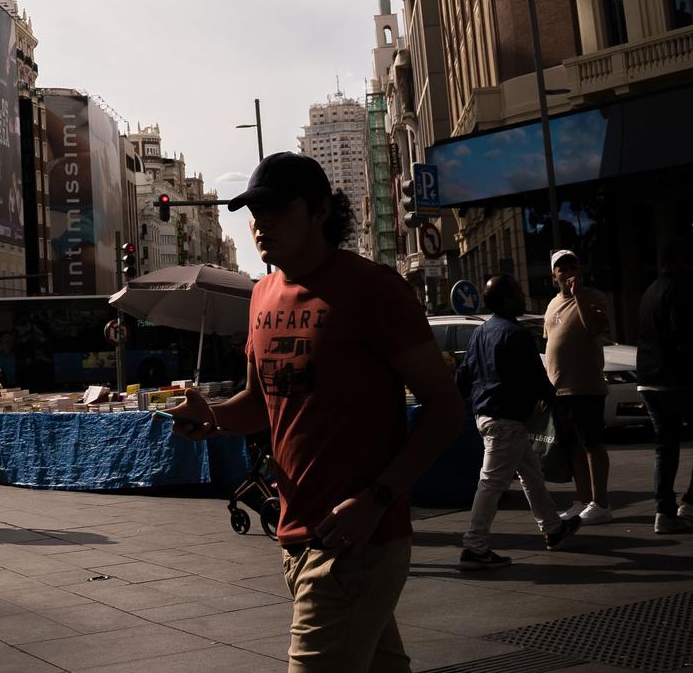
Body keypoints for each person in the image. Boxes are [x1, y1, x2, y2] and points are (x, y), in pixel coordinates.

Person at [167, 152, 462, 673]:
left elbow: (445, 410)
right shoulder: (261, 295)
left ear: (322, 210)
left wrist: (377, 500)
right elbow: (261, 404)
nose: (261, 224)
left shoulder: (373, 288)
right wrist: (210, 416)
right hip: (296, 535)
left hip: (356, 542)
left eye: (277, 209)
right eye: (253, 212)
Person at [454, 276, 579, 569]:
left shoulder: (481, 333)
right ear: (508, 300)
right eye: (519, 293)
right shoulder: (515, 333)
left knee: (530, 473)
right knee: (491, 483)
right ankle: (474, 546)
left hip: (487, 415)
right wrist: (558, 406)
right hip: (506, 419)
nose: (524, 297)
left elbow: (463, 376)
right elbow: (536, 378)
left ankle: (553, 527)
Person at [547, 248, 615, 524]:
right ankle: (583, 500)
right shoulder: (551, 304)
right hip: (560, 390)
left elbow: (595, 328)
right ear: (554, 276)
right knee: (573, 447)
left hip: (585, 387)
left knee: (592, 445)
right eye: (562, 268)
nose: (568, 272)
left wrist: (578, 297)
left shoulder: (593, 297)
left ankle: (601, 503)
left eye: (572, 266)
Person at [637, 236, 693, 534]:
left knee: (665, 446)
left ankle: (664, 512)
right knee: (668, 444)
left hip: (648, 381)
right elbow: (682, 334)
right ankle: (691, 504)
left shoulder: (649, 291)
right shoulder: (681, 289)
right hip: (678, 380)